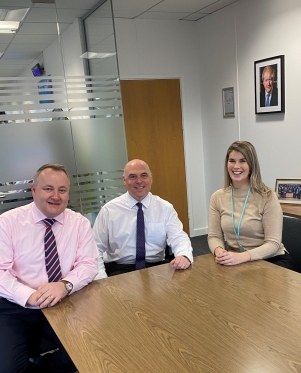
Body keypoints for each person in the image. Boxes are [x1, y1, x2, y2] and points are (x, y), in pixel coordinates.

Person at [0, 163, 99, 373]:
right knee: (8, 368)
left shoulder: (79, 223)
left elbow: (89, 263)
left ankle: (47, 365)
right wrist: (29, 295)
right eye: (48, 189)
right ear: (33, 190)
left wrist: (65, 285)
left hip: (63, 303)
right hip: (17, 307)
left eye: (62, 190)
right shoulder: (7, 223)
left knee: (91, 350)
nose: (56, 196)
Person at [93, 159, 193, 278]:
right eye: (133, 177)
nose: (139, 181)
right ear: (124, 180)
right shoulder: (108, 211)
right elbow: (95, 248)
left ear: (151, 178)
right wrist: (101, 279)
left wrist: (183, 255)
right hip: (121, 269)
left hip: (157, 267)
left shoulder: (165, 208)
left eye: (144, 175)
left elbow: (178, 237)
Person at [208, 141, 293, 269]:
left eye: (243, 161)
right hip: (235, 260)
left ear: (252, 165)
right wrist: (218, 250)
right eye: (232, 160)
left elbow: (273, 243)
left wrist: (242, 257)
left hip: (271, 260)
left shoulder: (268, 196)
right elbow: (214, 236)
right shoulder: (217, 197)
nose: (236, 166)